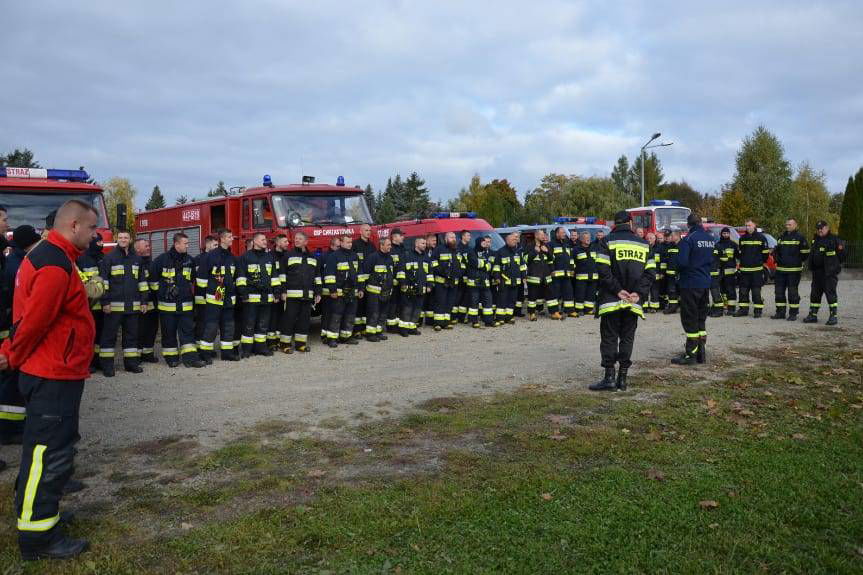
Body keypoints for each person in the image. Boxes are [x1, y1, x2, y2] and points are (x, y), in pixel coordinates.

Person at [0, 199, 98, 560]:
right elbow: (35, 322)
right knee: (48, 454)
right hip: (53, 372)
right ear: (73, 226)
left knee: (41, 450)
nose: (95, 235)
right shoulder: (55, 264)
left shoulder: (47, 256)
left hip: (52, 370)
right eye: (91, 228)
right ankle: (38, 537)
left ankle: (42, 514)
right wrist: (12, 354)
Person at [589, 211, 654, 392]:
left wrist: (618, 290)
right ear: (631, 223)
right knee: (627, 337)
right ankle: (623, 379)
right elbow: (650, 274)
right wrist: (637, 294)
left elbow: (603, 270)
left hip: (611, 299)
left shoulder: (606, 241)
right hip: (632, 301)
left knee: (609, 337)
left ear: (615, 224)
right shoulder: (644, 244)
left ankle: (609, 378)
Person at [0, 223, 39, 446]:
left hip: (12, 326)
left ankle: (12, 427)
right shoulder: (20, 264)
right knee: (11, 383)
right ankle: (9, 430)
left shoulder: (15, 261)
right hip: (14, 328)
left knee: (12, 383)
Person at [150, 233, 204, 368]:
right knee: (169, 333)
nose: (187, 245)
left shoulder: (190, 260)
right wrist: (164, 292)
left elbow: (192, 280)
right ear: (176, 244)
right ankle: (171, 358)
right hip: (167, 307)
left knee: (188, 333)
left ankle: (190, 359)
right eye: (185, 243)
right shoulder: (161, 260)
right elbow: (153, 282)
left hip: (185, 305)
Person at [98, 229, 147, 377]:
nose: (123, 239)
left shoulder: (137, 259)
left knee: (131, 336)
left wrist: (144, 301)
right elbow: (103, 283)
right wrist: (105, 302)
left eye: (126, 237)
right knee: (109, 337)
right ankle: (107, 366)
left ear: (130, 239)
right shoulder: (109, 258)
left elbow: (142, 283)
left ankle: (131, 364)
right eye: (120, 237)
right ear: (116, 239)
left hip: (133, 306)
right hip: (113, 307)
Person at [671, 214, 715, 365]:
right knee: (701, 318)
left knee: (690, 318)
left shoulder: (688, 239)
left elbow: (682, 262)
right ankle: (701, 351)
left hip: (690, 283)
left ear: (688, 225)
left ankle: (691, 354)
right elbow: (711, 260)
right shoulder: (709, 239)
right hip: (704, 282)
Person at [196, 229, 240, 362]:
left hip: (228, 296)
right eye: (230, 237)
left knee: (228, 325)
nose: (232, 239)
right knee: (212, 326)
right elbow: (202, 279)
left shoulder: (232, 257)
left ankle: (227, 353)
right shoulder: (210, 256)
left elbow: (234, 278)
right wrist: (205, 296)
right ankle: (205, 353)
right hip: (216, 295)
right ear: (222, 239)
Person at [236, 232, 278, 358]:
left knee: (263, 324)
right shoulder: (245, 257)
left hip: (266, 297)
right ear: (254, 241)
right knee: (249, 324)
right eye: (263, 239)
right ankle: (247, 350)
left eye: (266, 239)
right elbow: (241, 278)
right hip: (251, 297)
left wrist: (276, 292)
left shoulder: (269, 257)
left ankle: (261, 347)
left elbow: (274, 277)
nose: (266, 241)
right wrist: (243, 294)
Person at [279, 231, 320, 353]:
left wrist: (318, 293)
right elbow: (282, 275)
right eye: (296, 238)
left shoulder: (312, 257)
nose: (296, 240)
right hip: (292, 295)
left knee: (304, 320)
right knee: (289, 320)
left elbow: (317, 276)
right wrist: (283, 291)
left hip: (307, 295)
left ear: (306, 241)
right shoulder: (288, 256)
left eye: (300, 239)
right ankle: (284, 344)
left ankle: (300, 344)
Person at [803, 221, 845, 326]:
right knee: (815, 295)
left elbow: (842, 255)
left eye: (822, 228)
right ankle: (813, 315)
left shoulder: (834, 239)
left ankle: (833, 316)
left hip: (829, 273)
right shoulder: (815, 239)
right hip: (817, 273)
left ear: (827, 228)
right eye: (818, 228)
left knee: (830, 294)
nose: (820, 230)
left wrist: (834, 266)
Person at [322, 234, 361, 347]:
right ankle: (332, 338)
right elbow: (329, 275)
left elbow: (359, 273)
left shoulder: (354, 256)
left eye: (351, 242)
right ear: (342, 243)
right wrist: (332, 290)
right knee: (336, 316)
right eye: (347, 242)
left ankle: (346, 336)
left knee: (350, 315)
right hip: (338, 292)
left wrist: (360, 288)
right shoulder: (334, 256)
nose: (350, 244)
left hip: (352, 291)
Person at [76, 233, 105, 371]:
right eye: (98, 242)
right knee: (88, 336)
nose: (101, 245)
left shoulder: (103, 258)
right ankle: (88, 363)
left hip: (102, 306)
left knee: (99, 335)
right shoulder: (82, 259)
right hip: (89, 306)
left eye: (101, 242)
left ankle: (97, 360)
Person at [772, 218, 810, 321]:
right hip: (780, 270)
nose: (787, 226)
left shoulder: (800, 237)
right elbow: (777, 251)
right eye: (786, 224)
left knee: (792, 292)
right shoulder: (781, 237)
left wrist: (796, 260)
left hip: (794, 270)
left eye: (789, 224)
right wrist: (777, 257)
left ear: (795, 225)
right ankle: (780, 312)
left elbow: (805, 253)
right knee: (779, 292)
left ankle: (793, 313)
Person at [397, 236, 432, 336]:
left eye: (425, 244)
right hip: (409, 287)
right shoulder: (407, 255)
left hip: (422, 288)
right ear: (416, 244)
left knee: (417, 309)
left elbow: (429, 273)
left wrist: (429, 285)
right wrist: (403, 283)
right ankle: (403, 328)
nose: (424, 245)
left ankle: (412, 327)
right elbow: (401, 271)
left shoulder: (426, 257)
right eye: (422, 243)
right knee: (407, 309)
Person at [734, 220, 770, 318]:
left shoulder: (761, 238)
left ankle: (758, 310)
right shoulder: (742, 238)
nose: (747, 227)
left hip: (756, 271)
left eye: (749, 225)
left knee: (756, 292)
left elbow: (765, 254)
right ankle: (743, 310)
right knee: (743, 291)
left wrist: (758, 262)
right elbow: (740, 253)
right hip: (745, 270)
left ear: (754, 225)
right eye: (746, 225)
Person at [363, 236, 395, 341]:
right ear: (381, 245)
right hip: (374, 292)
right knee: (374, 313)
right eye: (388, 245)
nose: (390, 246)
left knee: (383, 313)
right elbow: (365, 274)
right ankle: (371, 334)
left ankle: (379, 331)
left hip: (386, 291)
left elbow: (390, 274)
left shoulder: (390, 258)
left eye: (390, 244)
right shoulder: (373, 257)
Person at [431, 231, 463, 330]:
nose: (453, 239)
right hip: (441, 281)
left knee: (450, 302)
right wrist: (443, 272)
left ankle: (446, 322)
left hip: (453, 282)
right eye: (451, 237)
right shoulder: (438, 249)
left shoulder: (457, 250)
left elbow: (462, 264)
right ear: (446, 239)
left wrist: (459, 273)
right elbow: (433, 263)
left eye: (454, 237)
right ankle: (437, 323)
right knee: (440, 302)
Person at [134, 238, 159, 363]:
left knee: (152, 329)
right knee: (140, 330)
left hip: (152, 303)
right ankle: (136, 356)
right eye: (146, 246)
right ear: (138, 249)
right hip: (140, 304)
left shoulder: (152, 263)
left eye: (149, 245)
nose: (149, 247)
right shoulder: (135, 263)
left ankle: (147, 353)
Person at [492, 232, 524, 325]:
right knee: (502, 300)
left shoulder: (517, 251)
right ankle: (500, 318)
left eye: (515, 239)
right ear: (507, 241)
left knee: (512, 300)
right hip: (504, 280)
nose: (515, 241)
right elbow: (496, 266)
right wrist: (497, 277)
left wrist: (524, 276)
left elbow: (522, 265)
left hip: (516, 280)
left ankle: (509, 317)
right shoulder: (501, 252)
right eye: (513, 239)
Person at [465, 235, 495, 328]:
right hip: (474, 282)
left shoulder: (486, 253)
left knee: (488, 302)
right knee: (474, 303)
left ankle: (488, 321)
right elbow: (475, 263)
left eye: (486, 243)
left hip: (485, 282)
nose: (485, 244)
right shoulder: (471, 252)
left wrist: (484, 265)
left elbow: (490, 266)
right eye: (483, 242)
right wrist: (485, 264)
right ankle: (474, 321)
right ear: (478, 243)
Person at [193, 235, 218, 343]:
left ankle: (208, 347)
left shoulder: (218, 258)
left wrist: (219, 297)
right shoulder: (198, 259)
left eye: (218, 245)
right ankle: (199, 347)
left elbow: (219, 281)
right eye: (215, 244)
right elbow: (197, 279)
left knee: (212, 324)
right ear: (207, 244)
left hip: (214, 297)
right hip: (201, 298)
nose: (217, 247)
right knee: (201, 323)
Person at [352, 223, 375, 337]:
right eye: (366, 230)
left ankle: (365, 329)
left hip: (370, 281)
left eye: (369, 230)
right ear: (360, 232)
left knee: (367, 305)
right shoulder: (355, 245)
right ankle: (356, 330)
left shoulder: (372, 246)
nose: (368, 232)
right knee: (358, 306)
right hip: (358, 280)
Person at [524, 230, 552, 321]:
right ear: (536, 236)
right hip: (534, 277)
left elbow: (552, 259)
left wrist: (547, 252)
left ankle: (553, 312)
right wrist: (534, 252)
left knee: (550, 295)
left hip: (546, 276)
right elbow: (525, 259)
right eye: (541, 235)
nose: (543, 236)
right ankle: (532, 313)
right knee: (532, 296)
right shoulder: (529, 246)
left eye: (544, 235)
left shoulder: (546, 245)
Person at [547, 226, 574, 320]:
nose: (564, 234)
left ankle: (569, 311)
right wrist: (551, 270)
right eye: (562, 232)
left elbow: (570, 258)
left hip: (566, 274)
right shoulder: (551, 244)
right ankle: (554, 312)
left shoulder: (566, 244)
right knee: (555, 294)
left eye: (564, 233)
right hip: (556, 275)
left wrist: (572, 269)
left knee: (568, 292)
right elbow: (549, 259)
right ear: (557, 233)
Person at [268, 234, 289, 348]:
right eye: (285, 241)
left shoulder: (288, 256)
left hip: (285, 291)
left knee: (282, 316)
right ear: (277, 242)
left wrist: (284, 291)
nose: (288, 244)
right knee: (273, 316)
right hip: (274, 292)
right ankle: (271, 342)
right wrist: (276, 292)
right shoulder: (270, 256)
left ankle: (279, 339)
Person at [319, 236, 341, 338]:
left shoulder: (339, 256)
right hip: (326, 291)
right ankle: (324, 335)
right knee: (327, 314)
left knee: (336, 314)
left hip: (338, 291)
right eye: (338, 246)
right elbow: (320, 273)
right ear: (331, 246)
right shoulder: (324, 257)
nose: (339, 248)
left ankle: (334, 334)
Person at [714, 227, 739, 315]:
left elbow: (738, 257)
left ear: (729, 234)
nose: (725, 235)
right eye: (724, 233)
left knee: (730, 290)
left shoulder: (733, 244)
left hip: (730, 271)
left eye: (727, 233)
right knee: (722, 290)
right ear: (721, 234)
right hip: (720, 271)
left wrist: (738, 269)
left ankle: (731, 308)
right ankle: (725, 306)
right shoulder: (717, 245)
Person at [385, 229, 406, 333]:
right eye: (400, 235)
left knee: (399, 304)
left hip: (401, 283)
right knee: (392, 305)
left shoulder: (402, 248)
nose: (403, 237)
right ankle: (391, 326)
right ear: (394, 237)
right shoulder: (391, 249)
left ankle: (397, 324)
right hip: (392, 283)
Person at [574, 231, 596, 316]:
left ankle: (589, 309)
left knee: (591, 294)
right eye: (586, 238)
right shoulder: (576, 249)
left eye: (589, 238)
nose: (588, 239)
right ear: (581, 239)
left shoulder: (594, 248)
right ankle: (579, 310)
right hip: (581, 277)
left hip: (593, 276)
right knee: (580, 294)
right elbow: (573, 262)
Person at [454, 230, 473, 323]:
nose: (470, 237)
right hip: (460, 277)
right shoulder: (457, 248)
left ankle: (461, 317)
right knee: (457, 297)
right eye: (468, 235)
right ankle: (453, 317)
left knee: (465, 298)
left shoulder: (470, 249)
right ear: (463, 237)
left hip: (468, 277)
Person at [661, 230, 680, 314]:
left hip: (680, 273)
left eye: (672, 236)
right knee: (671, 291)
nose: (670, 237)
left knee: (682, 291)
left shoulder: (683, 245)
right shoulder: (670, 246)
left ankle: (683, 306)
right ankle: (673, 307)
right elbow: (665, 259)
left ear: (677, 236)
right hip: (670, 273)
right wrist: (663, 271)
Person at [422, 233, 437, 325]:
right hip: (423, 280)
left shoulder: (436, 251)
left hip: (433, 279)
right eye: (433, 240)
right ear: (427, 241)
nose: (435, 242)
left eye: (436, 240)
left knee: (432, 301)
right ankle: (419, 321)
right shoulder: (423, 251)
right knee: (423, 301)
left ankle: (429, 320)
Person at [645, 232, 661, 312]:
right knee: (645, 289)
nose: (649, 240)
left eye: (651, 238)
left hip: (655, 272)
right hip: (645, 272)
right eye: (647, 238)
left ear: (655, 239)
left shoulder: (659, 248)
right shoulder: (644, 247)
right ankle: (644, 307)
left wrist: (661, 272)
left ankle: (654, 307)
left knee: (654, 290)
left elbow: (661, 261)